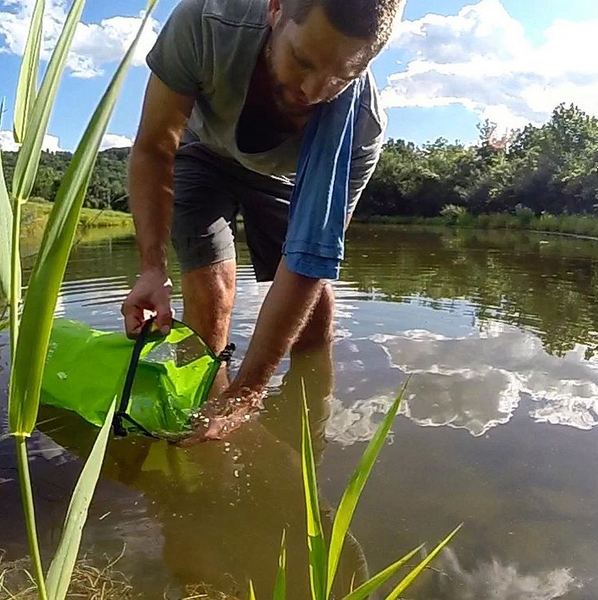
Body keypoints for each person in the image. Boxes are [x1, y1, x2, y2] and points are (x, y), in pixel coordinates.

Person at [121, 0, 403, 440]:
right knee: (210, 287)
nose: (313, 90)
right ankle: (198, 421)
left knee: (313, 314)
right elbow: (155, 147)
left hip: (289, 174)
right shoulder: (206, 22)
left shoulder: (361, 128)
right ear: (275, 9)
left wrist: (249, 392)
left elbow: (310, 259)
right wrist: (152, 269)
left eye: (342, 76)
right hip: (203, 149)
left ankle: (306, 423)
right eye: (302, 60)